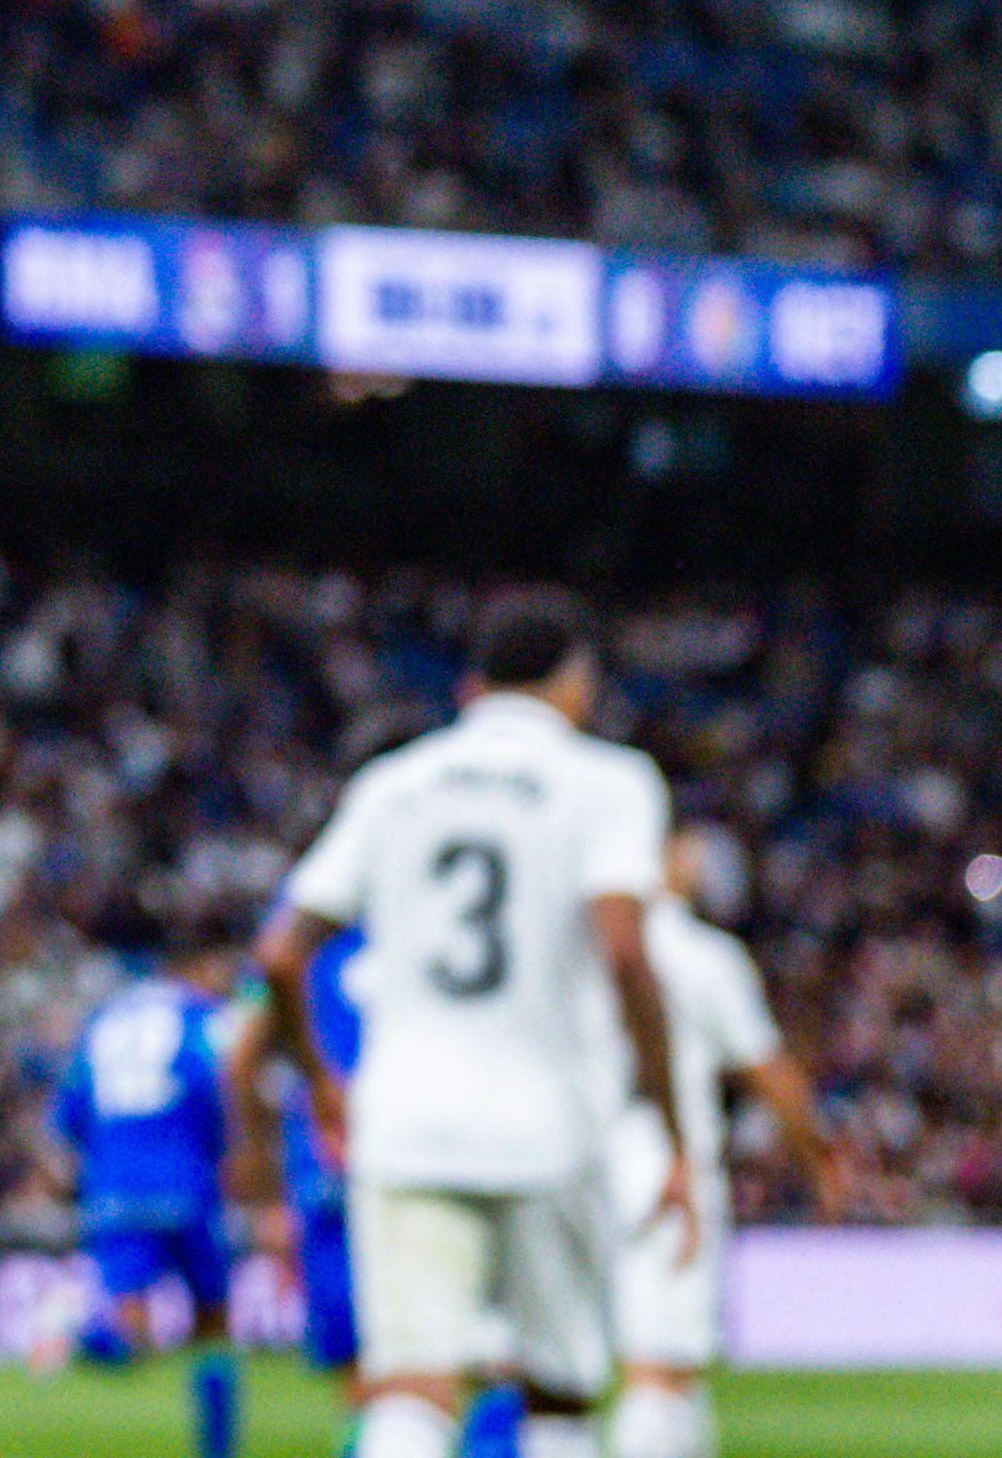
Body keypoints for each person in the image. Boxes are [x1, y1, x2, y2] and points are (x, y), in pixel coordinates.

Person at [253, 593, 681, 1458]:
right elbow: (627, 953)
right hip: (550, 1119)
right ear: (575, 682)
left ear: (473, 686)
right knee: (556, 1396)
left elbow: (277, 956)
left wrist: (322, 1079)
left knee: (411, 1394)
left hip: (405, 1120)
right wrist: (665, 1119)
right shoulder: (610, 781)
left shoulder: (393, 783)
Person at [600, 826, 850, 1458]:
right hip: (666, 1164)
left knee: (562, 1378)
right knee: (662, 1370)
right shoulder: (700, 954)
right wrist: (818, 1158)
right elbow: (768, 1071)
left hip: (575, 1163)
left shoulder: (576, 943)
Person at [56, 919, 247, 1458]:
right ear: (201, 967)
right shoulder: (208, 1017)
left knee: (133, 1335)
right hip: (188, 1180)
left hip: (114, 1187)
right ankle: (218, 1450)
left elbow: (70, 1115)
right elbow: (227, 1090)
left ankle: (81, 1334)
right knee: (213, 1318)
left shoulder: (105, 1019)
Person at [227, 921, 365, 1395]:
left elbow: (242, 1060)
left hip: (327, 1161)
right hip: (432, 1152)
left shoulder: (296, 928)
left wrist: (266, 1189)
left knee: (355, 1360)